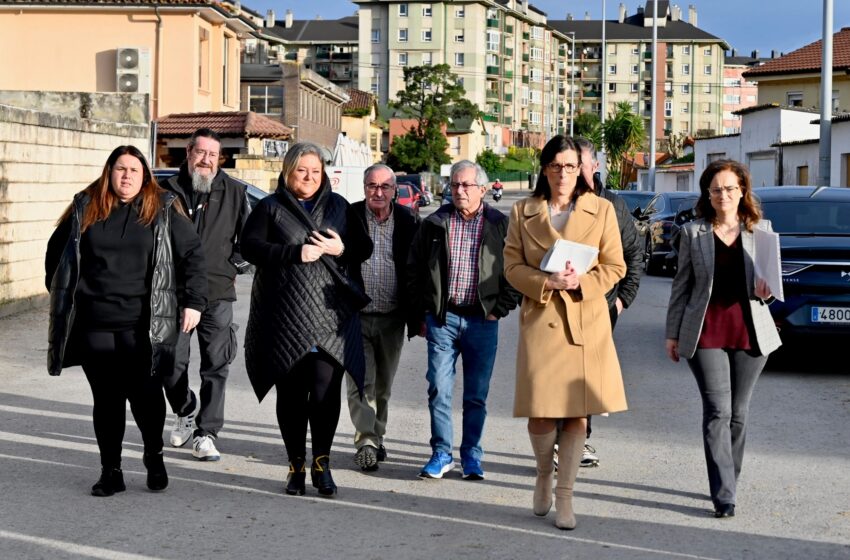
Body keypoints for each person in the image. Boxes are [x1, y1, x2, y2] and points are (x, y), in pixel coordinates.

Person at [45, 145, 207, 497]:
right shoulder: (85, 207)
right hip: (95, 325)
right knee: (107, 400)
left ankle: (154, 454)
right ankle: (111, 471)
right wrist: (65, 297)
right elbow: (57, 257)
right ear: (109, 172)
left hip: (144, 326)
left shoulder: (161, 209)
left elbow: (193, 256)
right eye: (121, 169)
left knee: (147, 398)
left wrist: (194, 301)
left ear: (144, 175)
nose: (127, 176)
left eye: (134, 170)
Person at [503, 135, 626, 530]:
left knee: (576, 416)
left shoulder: (602, 209)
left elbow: (615, 267)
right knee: (540, 414)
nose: (563, 173)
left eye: (570, 166)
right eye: (556, 166)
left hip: (585, 322)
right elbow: (511, 268)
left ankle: (566, 495)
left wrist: (581, 284)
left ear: (582, 170)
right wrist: (546, 281)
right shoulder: (523, 211)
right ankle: (543, 472)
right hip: (541, 321)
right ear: (544, 169)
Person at [241, 142, 372, 497]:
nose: (310, 177)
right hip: (285, 317)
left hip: (331, 317)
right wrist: (293, 252)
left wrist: (340, 249)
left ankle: (322, 465)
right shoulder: (269, 208)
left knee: (326, 395)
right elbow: (249, 247)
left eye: (316, 171)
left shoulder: (340, 207)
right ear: (288, 172)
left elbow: (364, 248)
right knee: (292, 396)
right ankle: (295, 465)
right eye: (302, 170)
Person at [665, 159, 781, 519]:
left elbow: (772, 285)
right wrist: (672, 333)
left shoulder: (761, 230)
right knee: (718, 410)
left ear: (742, 190)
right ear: (708, 194)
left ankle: (729, 477)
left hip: (751, 332)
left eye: (730, 188)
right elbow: (681, 286)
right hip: (706, 331)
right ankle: (724, 494)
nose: (723, 195)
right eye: (716, 189)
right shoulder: (692, 233)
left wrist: (766, 291)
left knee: (739, 414)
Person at [407, 160, 520, 481]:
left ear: (483, 190)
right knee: (439, 388)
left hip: (483, 321)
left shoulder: (500, 224)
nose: (459, 191)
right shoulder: (434, 223)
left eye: (466, 185)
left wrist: (501, 307)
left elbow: (514, 269)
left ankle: (471, 455)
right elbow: (414, 271)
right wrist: (422, 314)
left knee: (475, 395)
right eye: (455, 185)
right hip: (443, 319)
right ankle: (442, 453)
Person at [160, 128, 251, 462]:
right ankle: (185, 409)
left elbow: (248, 238)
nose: (207, 160)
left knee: (216, 364)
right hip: (173, 294)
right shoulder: (164, 191)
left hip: (217, 293)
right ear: (189, 152)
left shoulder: (235, 192)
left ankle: (206, 432)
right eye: (202, 153)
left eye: (213, 155)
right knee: (169, 363)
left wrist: (232, 266)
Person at [566, 137, 643, 468]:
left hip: (600, 307)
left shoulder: (612, 204)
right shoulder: (556, 203)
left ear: (595, 166)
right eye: (568, 165)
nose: (575, 171)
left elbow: (634, 252)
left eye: (580, 164)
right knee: (558, 372)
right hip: (556, 305)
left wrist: (623, 299)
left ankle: (580, 441)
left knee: (585, 376)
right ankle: (558, 441)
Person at [346, 164, 420, 471]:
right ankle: (366, 439)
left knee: (384, 385)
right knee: (361, 381)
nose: (378, 192)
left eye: (385, 187)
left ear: (394, 190)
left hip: (392, 316)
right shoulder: (348, 217)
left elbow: (417, 270)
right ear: (364, 187)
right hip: (355, 314)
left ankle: (377, 435)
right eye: (372, 186)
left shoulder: (409, 220)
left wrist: (418, 314)